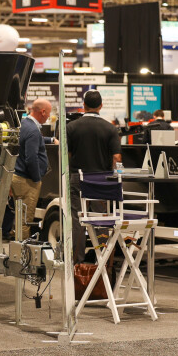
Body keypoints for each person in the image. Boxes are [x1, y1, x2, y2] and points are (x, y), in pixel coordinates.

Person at [66, 90, 122, 264]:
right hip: (101, 180)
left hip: (78, 178)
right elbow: (116, 158)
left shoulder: (72, 127)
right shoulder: (110, 128)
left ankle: (76, 261)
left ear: (84, 105)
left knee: (77, 219)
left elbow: (66, 155)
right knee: (101, 219)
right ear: (101, 106)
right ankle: (103, 259)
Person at [11, 98, 51, 239]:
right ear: (43, 112)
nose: (48, 117)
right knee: (25, 220)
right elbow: (31, 158)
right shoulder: (33, 130)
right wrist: (36, 179)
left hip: (18, 177)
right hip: (27, 181)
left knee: (20, 217)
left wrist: (50, 140)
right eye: (48, 113)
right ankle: (22, 254)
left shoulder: (24, 124)